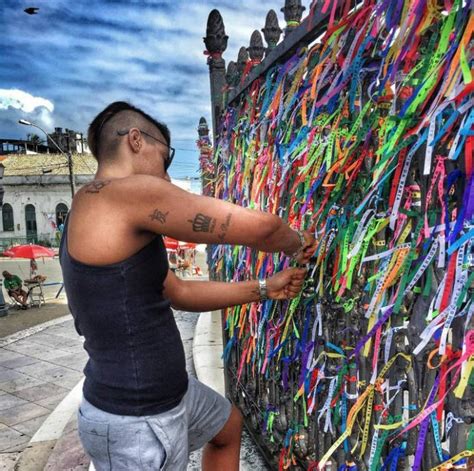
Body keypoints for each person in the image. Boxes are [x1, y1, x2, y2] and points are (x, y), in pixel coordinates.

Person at [59, 101, 317, 471]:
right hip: (135, 419)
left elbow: (178, 292)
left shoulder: (95, 210)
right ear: (135, 140)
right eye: (164, 160)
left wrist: (264, 287)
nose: (165, 178)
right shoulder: (124, 193)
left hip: (167, 395)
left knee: (227, 426)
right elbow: (262, 228)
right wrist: (300, 244)